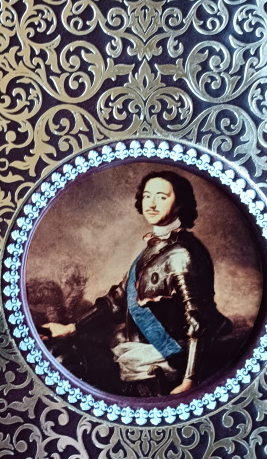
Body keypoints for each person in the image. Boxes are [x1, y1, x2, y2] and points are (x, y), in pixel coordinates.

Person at [42, 170, 232, 397]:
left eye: (162, 197)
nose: (151, 204)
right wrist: (71, 328)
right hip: (134, 354)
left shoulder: (181, 254)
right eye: (147, 196)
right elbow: (117, 300)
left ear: (180, 204)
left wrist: (190, 381)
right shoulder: (153, 250)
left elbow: (197, 319)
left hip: (167, 361)